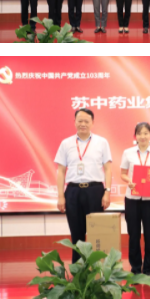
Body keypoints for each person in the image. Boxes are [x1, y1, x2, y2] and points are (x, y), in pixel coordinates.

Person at [55, 108, 112, 264]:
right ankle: (78, 271)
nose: (83, 124)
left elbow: (108, 169)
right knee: (76, 235)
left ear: (92, 123)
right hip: (73, 191)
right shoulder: (66, 143)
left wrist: (107, 191)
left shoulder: (102, 142)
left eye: (86, 121)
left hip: (95, 191)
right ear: (74, 122)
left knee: (96, 233)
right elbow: (61, 171)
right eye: (80, 121)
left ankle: (96, 270)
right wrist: (60, 196)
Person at [120, 122, 150, 277]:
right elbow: (123, 173)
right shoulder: (128, 152)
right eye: (139, 133)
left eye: (146, 133)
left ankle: (149, 269)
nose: (143, 136)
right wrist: (129, 181)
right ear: (135, 136)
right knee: (133, 235)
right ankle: (135, 268)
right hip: (132, 199)